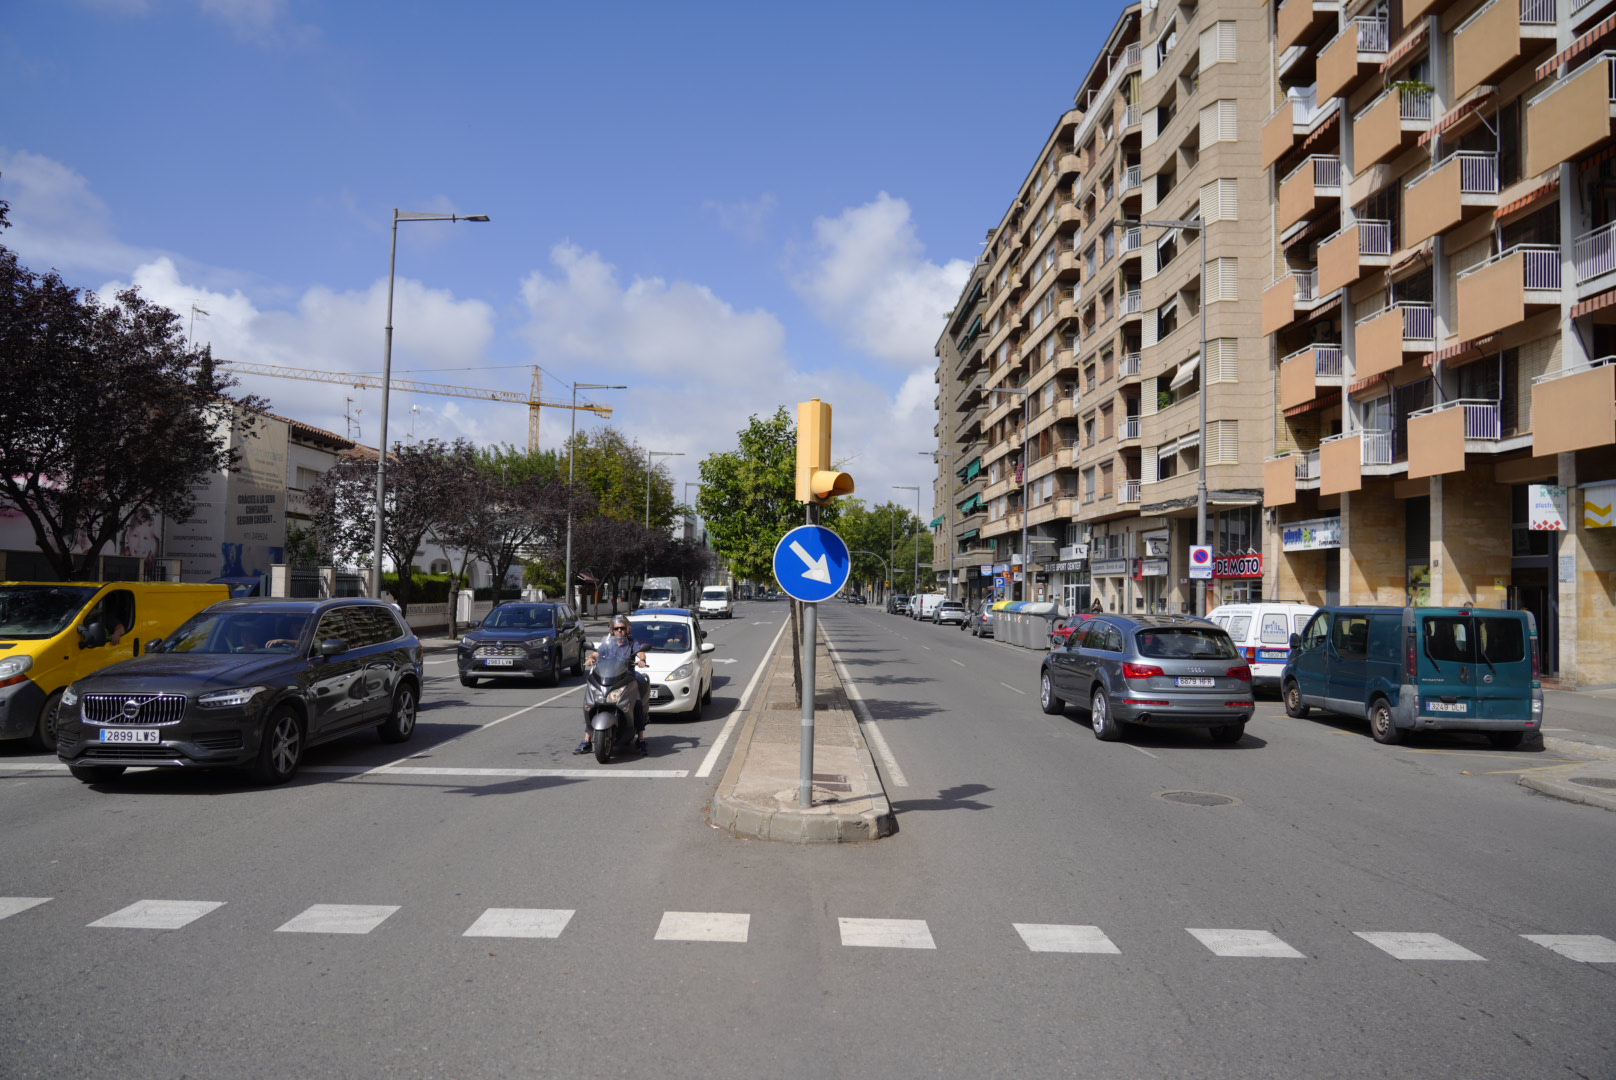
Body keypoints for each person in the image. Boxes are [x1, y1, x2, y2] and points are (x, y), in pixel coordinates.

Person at [575, 614, 649, 756]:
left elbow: (641, 653)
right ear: (612, 630)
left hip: (627, 678)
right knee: (591, 704)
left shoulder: (632, 642)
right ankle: (586, 741)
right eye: (616, 629)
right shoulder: (608, 643)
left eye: (622, 628)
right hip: (608, 678)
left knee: (637, 704)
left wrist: (642, 660)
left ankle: (641, 740)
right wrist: (591, 658)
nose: (619, 631)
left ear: (627, 629)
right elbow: (597, 653)